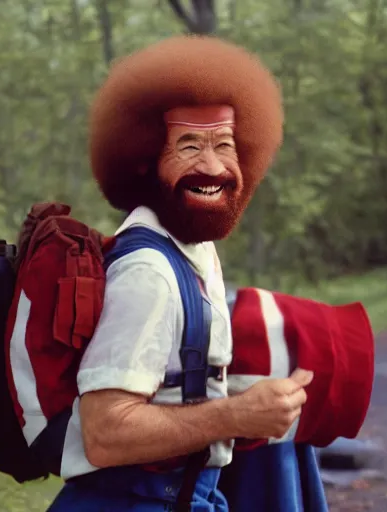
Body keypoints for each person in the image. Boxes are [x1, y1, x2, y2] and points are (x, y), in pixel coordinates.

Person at [46, 35, 309, 511]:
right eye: (189, 146)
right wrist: (236, 415)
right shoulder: (148, 272)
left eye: (225, 145)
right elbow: (105, 434)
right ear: (145, 158)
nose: (212, 167)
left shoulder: (192, 248)